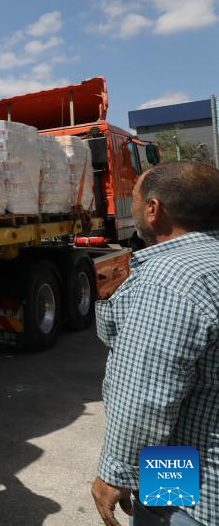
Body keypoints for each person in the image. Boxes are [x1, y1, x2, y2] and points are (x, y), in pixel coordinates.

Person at [91, 162, 219, 526]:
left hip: (194, 489)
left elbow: (148, 393)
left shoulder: (169, 279)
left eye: (134, 199)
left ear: (153, 209)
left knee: (158, 517)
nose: (131, 210)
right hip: (190, 440)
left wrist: (117, 471)